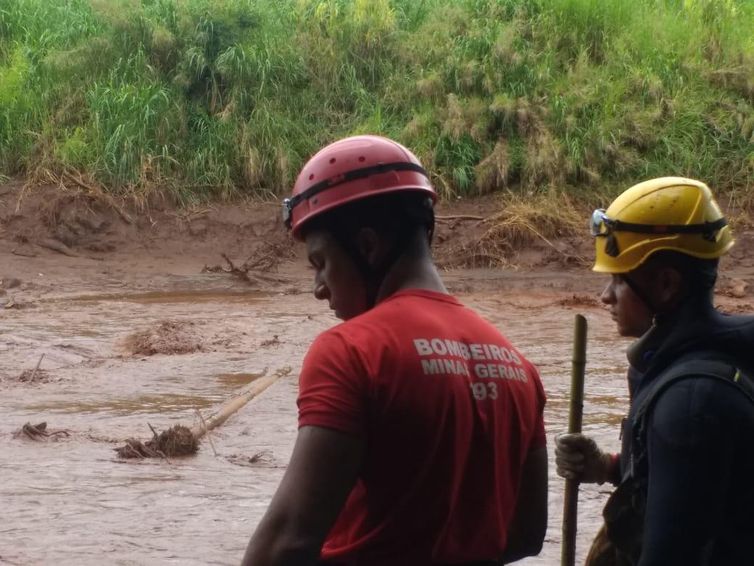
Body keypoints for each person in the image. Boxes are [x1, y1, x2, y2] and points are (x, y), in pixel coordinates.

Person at [242, 135, 547, 565]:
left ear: (368, 246)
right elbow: (527, 534)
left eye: (321, 263)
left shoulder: (351, 353)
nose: (319, 289)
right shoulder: (518, 366)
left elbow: (285, 545)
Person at [555, 177, 754, 565]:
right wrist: (609, 467)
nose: (605, 297)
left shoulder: (690, 403)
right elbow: (693, 487)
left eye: (618, 279)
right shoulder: (708, 360)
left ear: (665, 285)